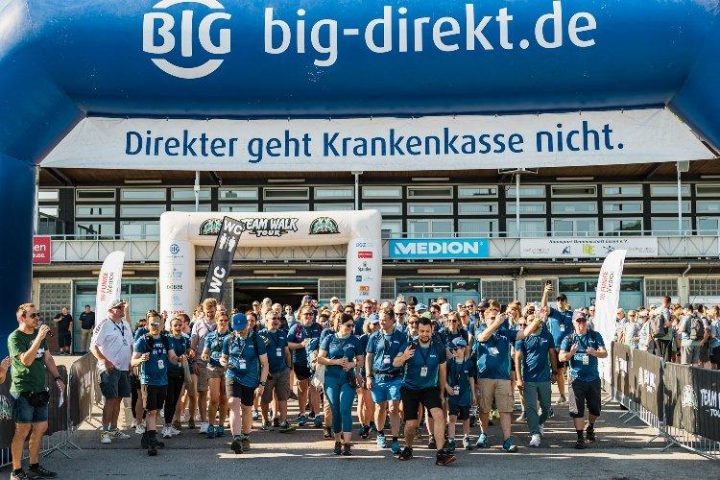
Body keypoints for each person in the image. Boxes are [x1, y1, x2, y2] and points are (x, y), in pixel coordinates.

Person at [8, 303, 64, 480]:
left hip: (39, 390)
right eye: (33, 315)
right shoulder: (15, 337)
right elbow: (26, 361)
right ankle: (16, 471)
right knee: (22, 430)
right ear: (22, 318)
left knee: (40, 427)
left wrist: (57, 378)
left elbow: (48, 358)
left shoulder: (39, 335)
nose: (37, 318)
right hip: (22, 390)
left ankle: (34, 466)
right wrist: (38, 338)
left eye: (38, 315)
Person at [393, 316, 456, 466]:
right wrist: (404, 357)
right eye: (422, 331)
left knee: (439, 415)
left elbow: (442, 371)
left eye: (427, 331)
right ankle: (408, 448)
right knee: (411, 424)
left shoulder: (439, 347)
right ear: (418, 330)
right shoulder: (410, 345)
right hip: (410, 388)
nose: (425, 334)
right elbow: (395, 363)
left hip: (429, 388)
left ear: (432, 330)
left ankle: (441, 454)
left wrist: (441, 392)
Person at [473, 306, 533, 452]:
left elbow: (524, 333)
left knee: (505, 410)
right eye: (492, 318)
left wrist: (537, 319)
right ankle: (483, 434)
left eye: (497, 317)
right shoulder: (480, 330)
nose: (496, 320)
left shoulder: (505, 332)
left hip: (503, 378)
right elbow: (482, 338)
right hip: (485, 377)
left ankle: (507, 440)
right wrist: (496, 323)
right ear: (485, 319)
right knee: (484, 409)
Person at [221, 313, 270, 454]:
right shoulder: (228, 339)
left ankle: (245, 436)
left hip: (250, 378)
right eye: (237, 329)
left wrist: (262, 384)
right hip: (233, 375)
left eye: (242, 328)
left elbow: (265, 364)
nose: (239, 331)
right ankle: (236, 439)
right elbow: (223, 358)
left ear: (248, 325)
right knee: (233, 403)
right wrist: (224, 362)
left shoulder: (257, 340)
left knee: (247, 408)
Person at [132, 314, 180, 456]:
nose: (155, 326)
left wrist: (180, 359)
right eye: (152, 324)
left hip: (163, 381)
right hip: (148, 381)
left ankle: (147, 436)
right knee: (151, 411)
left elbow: (172, 357)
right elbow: (132, 362)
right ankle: (152, 442)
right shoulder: (142, 340)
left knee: (157, 410)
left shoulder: (166, 339)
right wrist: (140, 359)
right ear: (147, 325)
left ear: (162, 325)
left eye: (158, 323)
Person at [559, 310, 608, 449]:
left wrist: (594, 352)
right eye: (578, 321)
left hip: (593, 378)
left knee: (595, 409)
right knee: (577, 410)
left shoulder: (595, 335)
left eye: (583, 320)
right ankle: (580, 437)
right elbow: (561, 357)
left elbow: (604, 353)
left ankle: (590, 426)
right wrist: (571, 353)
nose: (581, 323)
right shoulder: (569, 339)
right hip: (576, 379)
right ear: (573, 322)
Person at [318, 313, 363, 455]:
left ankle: (347, 444)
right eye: (348, 325)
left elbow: (361, 360)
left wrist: (352, 364)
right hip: (331, 378)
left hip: (347, 379)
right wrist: (335, 361)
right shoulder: (329, 338)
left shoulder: (355, 340)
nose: (351, 328)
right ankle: (338, 441)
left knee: (345, 409)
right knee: (335, 411)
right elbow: (320, 358)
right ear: (339, 324)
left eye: (352, 325)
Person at [90, 298, 134, 444]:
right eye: (119, 307)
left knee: (118, 399)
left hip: (124, 368)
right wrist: (104, 361)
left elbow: (130, 344)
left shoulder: (125, 324)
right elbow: (93, 346)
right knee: (110, 399)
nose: (122, 309)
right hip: (109, 369)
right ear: (110, 310)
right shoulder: (104, 324)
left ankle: (114, 429)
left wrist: (131, 361)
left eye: (122, 307)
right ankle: (104, 431)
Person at [515, 307, 557, 448]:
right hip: (529, 378)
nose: (533, 322)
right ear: (527, 323)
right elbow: (517, 358)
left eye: (535, 320)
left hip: (544, 378)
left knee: (546, 408)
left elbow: (552, 354)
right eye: (530, 320)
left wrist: (555, 372)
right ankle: (535, 434)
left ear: (539, 322)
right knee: (531, 408)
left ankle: (539, 423)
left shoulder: (547, 335)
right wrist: (519, 378)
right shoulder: (523, 337)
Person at [365, 308, 406, 453]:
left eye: (384, 320)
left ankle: (395, 439)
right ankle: (380, 433)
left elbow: (402, 355)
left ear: (392, 320)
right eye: (380, 319)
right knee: (380, 407)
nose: (381, 322)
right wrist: (368, 376)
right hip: (378, 377)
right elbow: (369, 357)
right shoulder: (374, 336)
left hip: (395, 377)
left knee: (394, 407)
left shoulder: (401, 336)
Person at [258, 311, 295, 433]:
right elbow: (257, 356)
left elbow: (287, 352)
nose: (276, 321)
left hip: (282, 371)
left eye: (278, 318)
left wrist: (289, 368)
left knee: (283, 397)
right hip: (268, 373)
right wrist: (262, 371)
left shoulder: (282, 334)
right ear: (266, 321)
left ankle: (283, 422)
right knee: (265, 398)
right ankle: (265, 421)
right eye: (273, 318)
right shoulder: (260, 335)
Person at [287, 305, 323, 426]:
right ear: (300, 315)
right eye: (306, 314)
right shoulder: (296, 328)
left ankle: (317, 415)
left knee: (315, 389)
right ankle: (302, 414)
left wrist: (319, 352)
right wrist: (300, 345)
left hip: (315, 364)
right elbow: (287, 344)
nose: (309, 316)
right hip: (300, 362)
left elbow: (324, 343)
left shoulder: (318, 327)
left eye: (311, 314)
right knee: (302, 390)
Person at [201, 311, 232, 438]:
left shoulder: (232, 336)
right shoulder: (210, 336)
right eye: (221, 320)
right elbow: (205, 352)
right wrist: (205, 356)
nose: (223, 323)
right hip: (213, 367)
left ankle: (221, 425)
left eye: (225, 320)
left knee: (224, 398)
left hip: (227, 368)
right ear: (216, 321)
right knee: (214, 398)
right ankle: (210, 425)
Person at [541, 284, 573, 404]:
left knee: (571, 372)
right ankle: (562, 395)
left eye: (562, 299)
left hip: (569, 347)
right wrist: (545, 293)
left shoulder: (571, 314)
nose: (560, 301)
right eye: (558, 299)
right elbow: (543, 307)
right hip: (556, 347)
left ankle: (573, 395)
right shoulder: (553, 312)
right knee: (559, 372)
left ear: (566, 301)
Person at [163, 315, 193, 439]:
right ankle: (166, 426)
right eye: (175, 325)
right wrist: (179, 358)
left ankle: (170, 425)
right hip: (169, 372)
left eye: (180, 325)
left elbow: (188, 350)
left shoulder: (185, 339)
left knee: (176, 399)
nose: (178, 327)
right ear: (171, 327)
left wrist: (190, 352)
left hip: (180, 372)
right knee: (169, 399)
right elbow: (172, 356)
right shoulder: (167, 338)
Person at [190, 298, 217, 433]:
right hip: (201, 363)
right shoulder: (198, 324)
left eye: (212, 311)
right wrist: (194, 361)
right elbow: (193, 345)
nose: (210, 314)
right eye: (208, 312)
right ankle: (204, 422)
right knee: (202, 393)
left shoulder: (220, 322)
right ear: (204, 311)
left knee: (215, 395)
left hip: (217, 364)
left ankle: (214, 421)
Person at [446, 337, 476, 452]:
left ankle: (466, 437)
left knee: (465, 417)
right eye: (452, 349)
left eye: (455, 349)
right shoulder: (450, 362)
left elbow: (471, 378)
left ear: (463, 349)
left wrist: (473, 394)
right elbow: (442, 377)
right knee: (452, 417)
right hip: (452, 394)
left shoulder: (468, 363)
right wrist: (447, 387)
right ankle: (451, 440)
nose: (453, 351)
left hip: (464, 394)